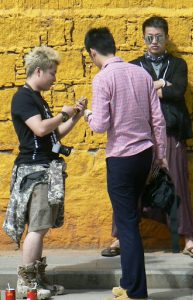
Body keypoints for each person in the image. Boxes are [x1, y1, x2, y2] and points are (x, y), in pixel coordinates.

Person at [104, 16, 193, 259]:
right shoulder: (134, 65)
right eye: (149, 37)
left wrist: (155, 86)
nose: (154, 41)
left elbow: (177, 90)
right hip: (141, 136)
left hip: (171, 133)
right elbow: (134, 95)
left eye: (158, 36)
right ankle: (120, 237)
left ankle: (188, 237)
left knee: (177, 184)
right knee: (131, 185)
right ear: (143, 38)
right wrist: (160, 84)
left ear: (166, 38)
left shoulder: (178, 65)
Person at [84, 27, 167, 300]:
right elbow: (158, 120)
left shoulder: (102, 78)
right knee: (130, 219)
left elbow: (100, 125)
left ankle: (135, 291)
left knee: (127, 223)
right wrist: (161, 155)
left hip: (121, 157)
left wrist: (87, 115)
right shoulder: (142, 73)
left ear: (93, 53)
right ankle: (129, 282)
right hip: (144, 154)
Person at [3, 46, 87, 299]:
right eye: (51, 73)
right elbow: (40, 129)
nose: (54, 78)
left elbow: (53, 135)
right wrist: (64, 113)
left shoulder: (38, 99)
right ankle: (27, 283)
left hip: (46, 168)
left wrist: (75, 117)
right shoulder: (23, 98)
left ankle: (37, 279)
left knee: (42, 226)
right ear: (38, 70)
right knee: (37, 227)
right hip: (34, 171)